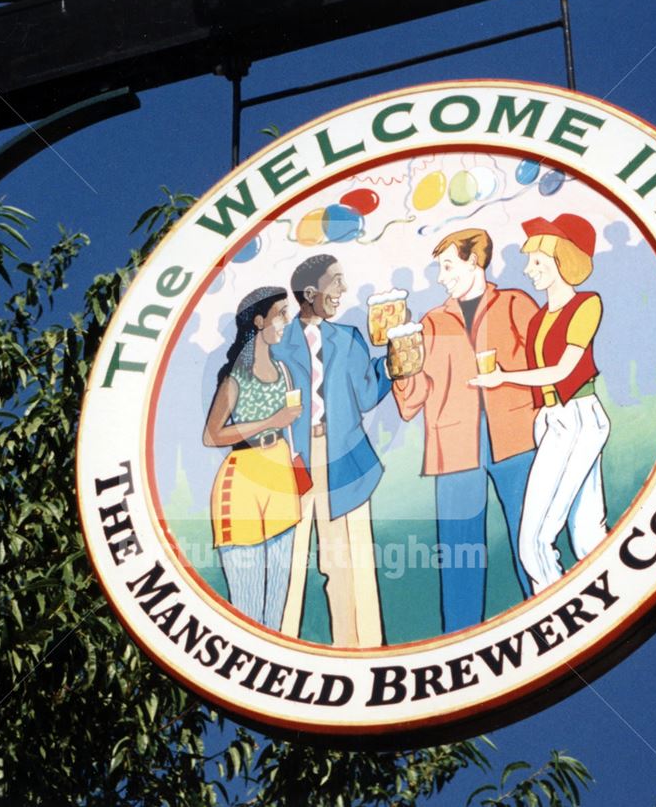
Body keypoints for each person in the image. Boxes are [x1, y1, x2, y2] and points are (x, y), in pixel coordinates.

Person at [393, 227, 538, 633]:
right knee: (460, 555)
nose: (441, 277)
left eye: (447, 266)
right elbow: (412, 400)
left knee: (532, 537)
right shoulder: (432, 322)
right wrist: (400, 369)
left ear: (475, 262)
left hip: (517, 437)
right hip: (454, 447)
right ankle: (459, 639)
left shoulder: (514, 303)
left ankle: (550, 621)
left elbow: (542, 364)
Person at [471, 214, 610, 594]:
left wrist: (503, 377)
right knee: (587, 533)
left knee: (535, 543)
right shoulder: (539, 319)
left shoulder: (586, 305)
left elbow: (563, 369)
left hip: (578, 417)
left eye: (537, 261)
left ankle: (558, 611)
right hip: (549, 420)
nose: (529, 269)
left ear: (562, 261)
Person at [272, 254, 392, 648]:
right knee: (286, 557)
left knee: (347, 559)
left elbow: (367, 394)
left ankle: (361, 648)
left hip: (345, 454)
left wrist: (392, 361)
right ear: (311, 293)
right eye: (335, 282)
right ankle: (276, 641)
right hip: (293, 457)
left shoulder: (350, 338)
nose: (342, 291)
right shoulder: (276, 344)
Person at [202, 286, 302, 630]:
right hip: (243, 478)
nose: (286, 322)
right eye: (280, 314)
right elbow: (212, 435)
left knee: (276, 602)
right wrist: (270, 422)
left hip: (280, 472)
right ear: (259, 321)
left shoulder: (283, 371)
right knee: (246, 609)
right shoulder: (235, 377)